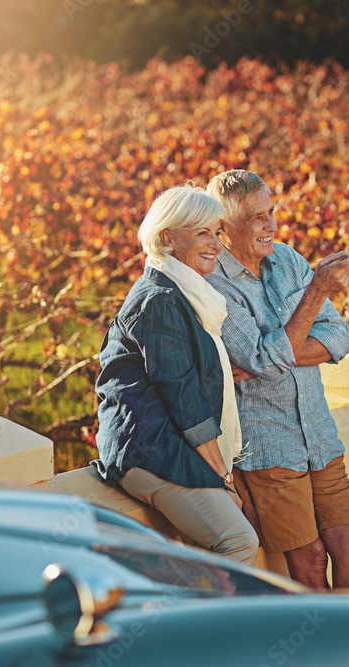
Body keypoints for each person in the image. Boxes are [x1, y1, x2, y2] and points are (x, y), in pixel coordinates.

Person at [205, 169, 349, 590]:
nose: (272, 226)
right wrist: (317, 291)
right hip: (267, 447)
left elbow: (338, 336)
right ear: (223, 227)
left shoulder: (287, 259)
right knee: (310, 562)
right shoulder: (214, 284)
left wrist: (270, 356)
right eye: (257, 218)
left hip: (319, 433)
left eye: (271, 212)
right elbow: (261, 356)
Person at [93, 183, 258, 566]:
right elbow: (184, 398)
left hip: (165, 443)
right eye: (202, 232)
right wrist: (222, 479)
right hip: (149, 449)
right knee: (238, 541)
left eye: (217, 232)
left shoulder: (181, 291)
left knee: (211, 554)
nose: (216, 243)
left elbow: (185, 371)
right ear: (167, 238)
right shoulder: (160, 299)